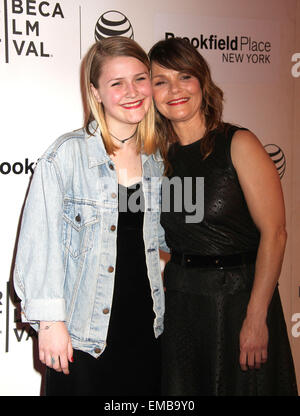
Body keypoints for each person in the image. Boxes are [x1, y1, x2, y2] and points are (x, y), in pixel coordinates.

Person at [13, 36, 168, 396]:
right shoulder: (66, 156)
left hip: (146, 329)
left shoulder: (156, 161)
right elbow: (39, 244)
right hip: (85, 336)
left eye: (140, 78)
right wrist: (50, 324)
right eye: (117, 83)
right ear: (96, 92)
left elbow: (165, 236)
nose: (133, 91)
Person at [149, 37, 298, 396]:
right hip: (182, 304)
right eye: (160, 81)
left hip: (238, 303)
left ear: (202, 81)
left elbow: (275, 233)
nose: (174, 90)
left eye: (185, 76)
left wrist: (256, 316)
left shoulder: (238, 143)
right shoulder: (158, 161)